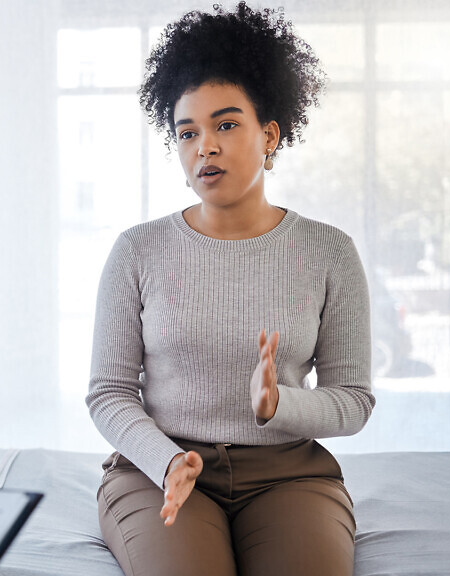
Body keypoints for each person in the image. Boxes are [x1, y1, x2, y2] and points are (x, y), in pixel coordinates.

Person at [85, 4, 376, 575]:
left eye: (225, 124)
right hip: (160, 470)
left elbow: (354, 399)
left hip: (290, 473)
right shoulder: (138, 250)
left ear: (269, 134)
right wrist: (166, 461)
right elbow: (108, 392)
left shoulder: (329, 252)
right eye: (187, 132)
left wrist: (279, 405)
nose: (204, 147)